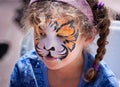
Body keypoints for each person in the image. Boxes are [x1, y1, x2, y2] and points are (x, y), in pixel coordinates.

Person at [9, 0, 119, 87]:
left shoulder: (104, 83)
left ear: (88, 36)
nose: (48, 46)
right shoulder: (23, 70)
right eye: (42, 34)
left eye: (61, 36)